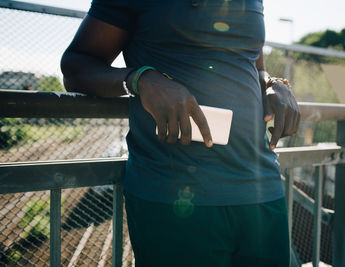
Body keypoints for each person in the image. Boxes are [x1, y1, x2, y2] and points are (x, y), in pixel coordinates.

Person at [61, 0, 300, 266]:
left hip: (261, 190)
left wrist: (272, 83)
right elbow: (76, 66)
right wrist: (140, 79)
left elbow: (252, 64)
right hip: (174, 197)